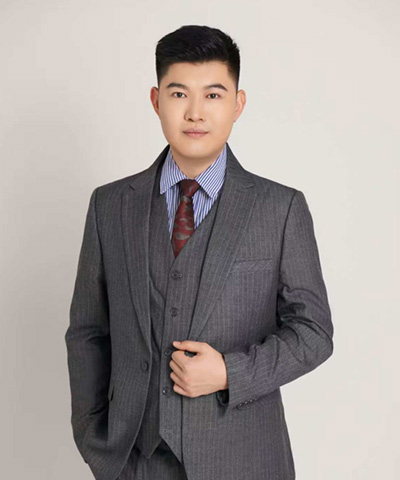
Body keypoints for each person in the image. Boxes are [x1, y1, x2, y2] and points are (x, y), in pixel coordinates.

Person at [65, 24, 334, 480]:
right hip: (134, 461)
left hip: (243, 461)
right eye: (178, 94)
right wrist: (95, 440)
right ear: (156, 101)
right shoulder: (110, 205)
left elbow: (314, 333)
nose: (194, 112)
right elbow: (88, 332)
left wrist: (229, 373)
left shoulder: (281, 208)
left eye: (212, 95)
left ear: (237, 104)